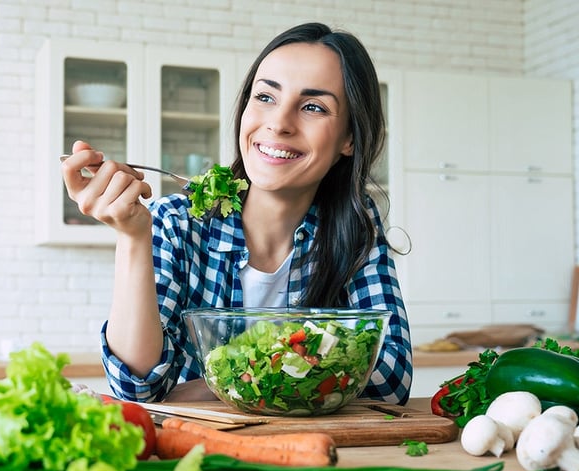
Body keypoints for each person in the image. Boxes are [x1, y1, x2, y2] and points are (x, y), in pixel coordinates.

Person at [60, 22, 413, 405]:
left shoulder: (357, 227)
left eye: (313, 107)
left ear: (349, 138)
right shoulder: (176, 222)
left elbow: (390, 378)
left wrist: (218, 384)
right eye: (265, 97)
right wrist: (131, 237)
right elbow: (139, 387)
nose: (279, 123)